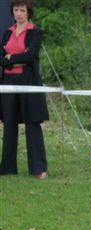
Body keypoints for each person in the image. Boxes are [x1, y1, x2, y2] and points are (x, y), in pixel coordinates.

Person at [0, 0, 49, 179]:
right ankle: (7, 167)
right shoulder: (7, 33)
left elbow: (31, 56)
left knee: (32, 123)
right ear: (12, 12)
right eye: (15, 10)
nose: (19, 13)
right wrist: (15, 59)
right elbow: (1, 58)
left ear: (28, 12)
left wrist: (10, 57)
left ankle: (38, 168)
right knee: (9, 123)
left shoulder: (35, 32)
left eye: (22, 10)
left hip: (29, 82)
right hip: (8, 82)